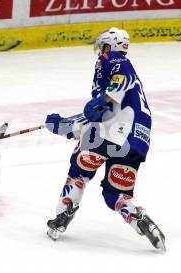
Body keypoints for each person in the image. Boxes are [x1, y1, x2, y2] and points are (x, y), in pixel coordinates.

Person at [44, 28, 166, 250]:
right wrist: (66, 125)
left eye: (103, 47)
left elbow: (122, 79)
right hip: (137, 141)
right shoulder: (124, 96)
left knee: (79, 169)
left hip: (115, 133)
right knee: (116, 194)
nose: (100, 52)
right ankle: (142, 220)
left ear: (111, 46)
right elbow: (98, 117)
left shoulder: (115, 61)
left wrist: (69, 125)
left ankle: (63, 216)